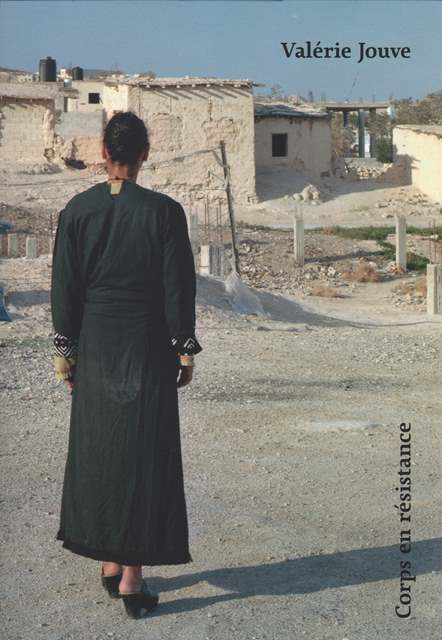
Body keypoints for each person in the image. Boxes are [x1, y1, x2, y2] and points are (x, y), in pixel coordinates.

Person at [50, 111, 202, 619]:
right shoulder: (164, 212)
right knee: (142, 454)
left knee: (102, 450)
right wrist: (184, 347)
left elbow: (64, 288)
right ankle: (133, 581)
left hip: (96, 347)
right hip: (146, 346)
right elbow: (178, 286)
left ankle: (109, 562)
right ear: (144, 154)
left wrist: (66, 352)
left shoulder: (76, 210)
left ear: (102, 152)